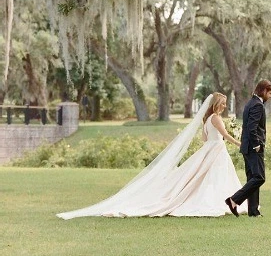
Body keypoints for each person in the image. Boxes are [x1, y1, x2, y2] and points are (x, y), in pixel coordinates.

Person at [58, 93, 246, 218]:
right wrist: (240, 143)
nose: (224, 106)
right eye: (222, 103)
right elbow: (225, 136)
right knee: (215, 177)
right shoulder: (216, 118)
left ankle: (225, 200)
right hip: (216, 150)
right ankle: (221, 201)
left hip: (210, 149)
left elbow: (205, 138)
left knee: (211, 178)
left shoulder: (206, 120)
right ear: (217, 105)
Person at [226, 79, 271, 218]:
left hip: (247, 147)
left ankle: (253, 211)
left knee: (252, 178)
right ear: (263, 91)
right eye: (269, 93)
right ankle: (234, 200)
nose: (270, 96)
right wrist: (257, 144)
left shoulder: (250, 102)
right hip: (254, 148)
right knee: (259, 177)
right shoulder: (257, 105)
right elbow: (252, 128)